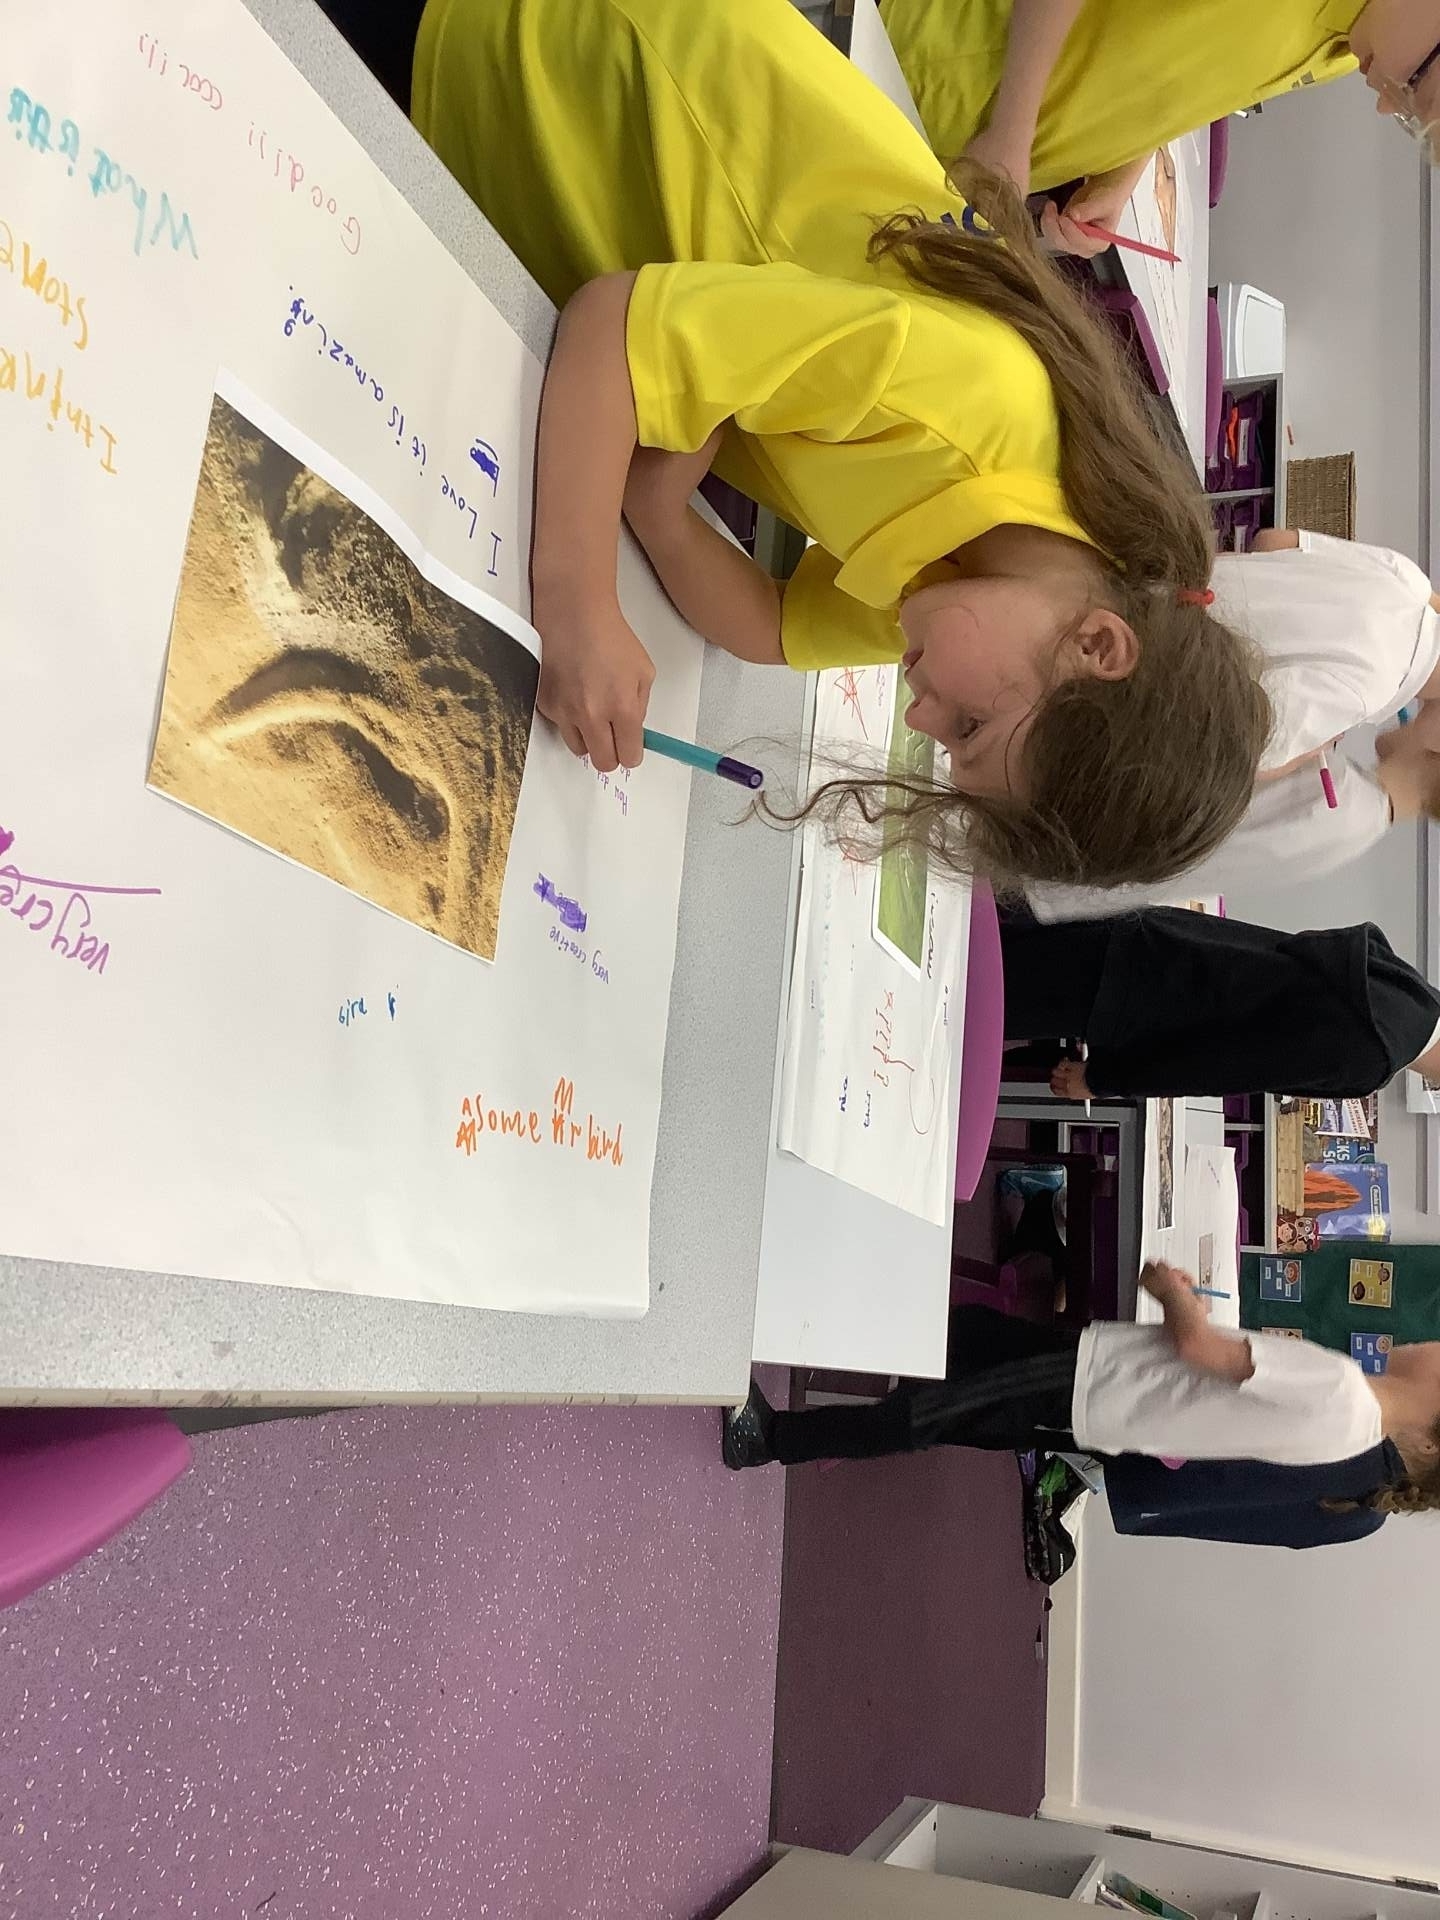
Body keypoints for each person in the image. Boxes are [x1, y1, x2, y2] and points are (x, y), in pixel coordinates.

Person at [410, 0, 1270, 894]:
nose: (923, 720)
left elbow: (771, 626)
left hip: (593, 219)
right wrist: (578, 603)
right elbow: (611, 333)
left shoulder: (980, 585)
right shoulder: (959, 406)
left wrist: (661, 517)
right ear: (1096, 643)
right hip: (569, 70)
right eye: (970, 728)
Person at [721, 1263, 1440, 1488]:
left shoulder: (1344, 1391)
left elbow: (1199, 1349)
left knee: (928, 1410)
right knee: (960, 1337)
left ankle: (771, 1439)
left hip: (1092, 1383)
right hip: (1103, 1395)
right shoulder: (1354, 1429)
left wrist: (1173, 1290)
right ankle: (796, 1313)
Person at [878, 0, 1440, 257]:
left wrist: (1122, 173)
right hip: (917, 56)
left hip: (959, 156)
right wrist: (1011, 133)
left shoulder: (1355, 45)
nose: (1387, 105)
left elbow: (1197, 67)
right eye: (1420, 91)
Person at [998, 907, 1440, 1102]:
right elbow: (1222, 1063)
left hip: (1156, 938)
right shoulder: (1376, 1049)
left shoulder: (1411, 994)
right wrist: (1103, 1079)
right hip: (1132, 995)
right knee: (974, 988)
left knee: (983, 943)